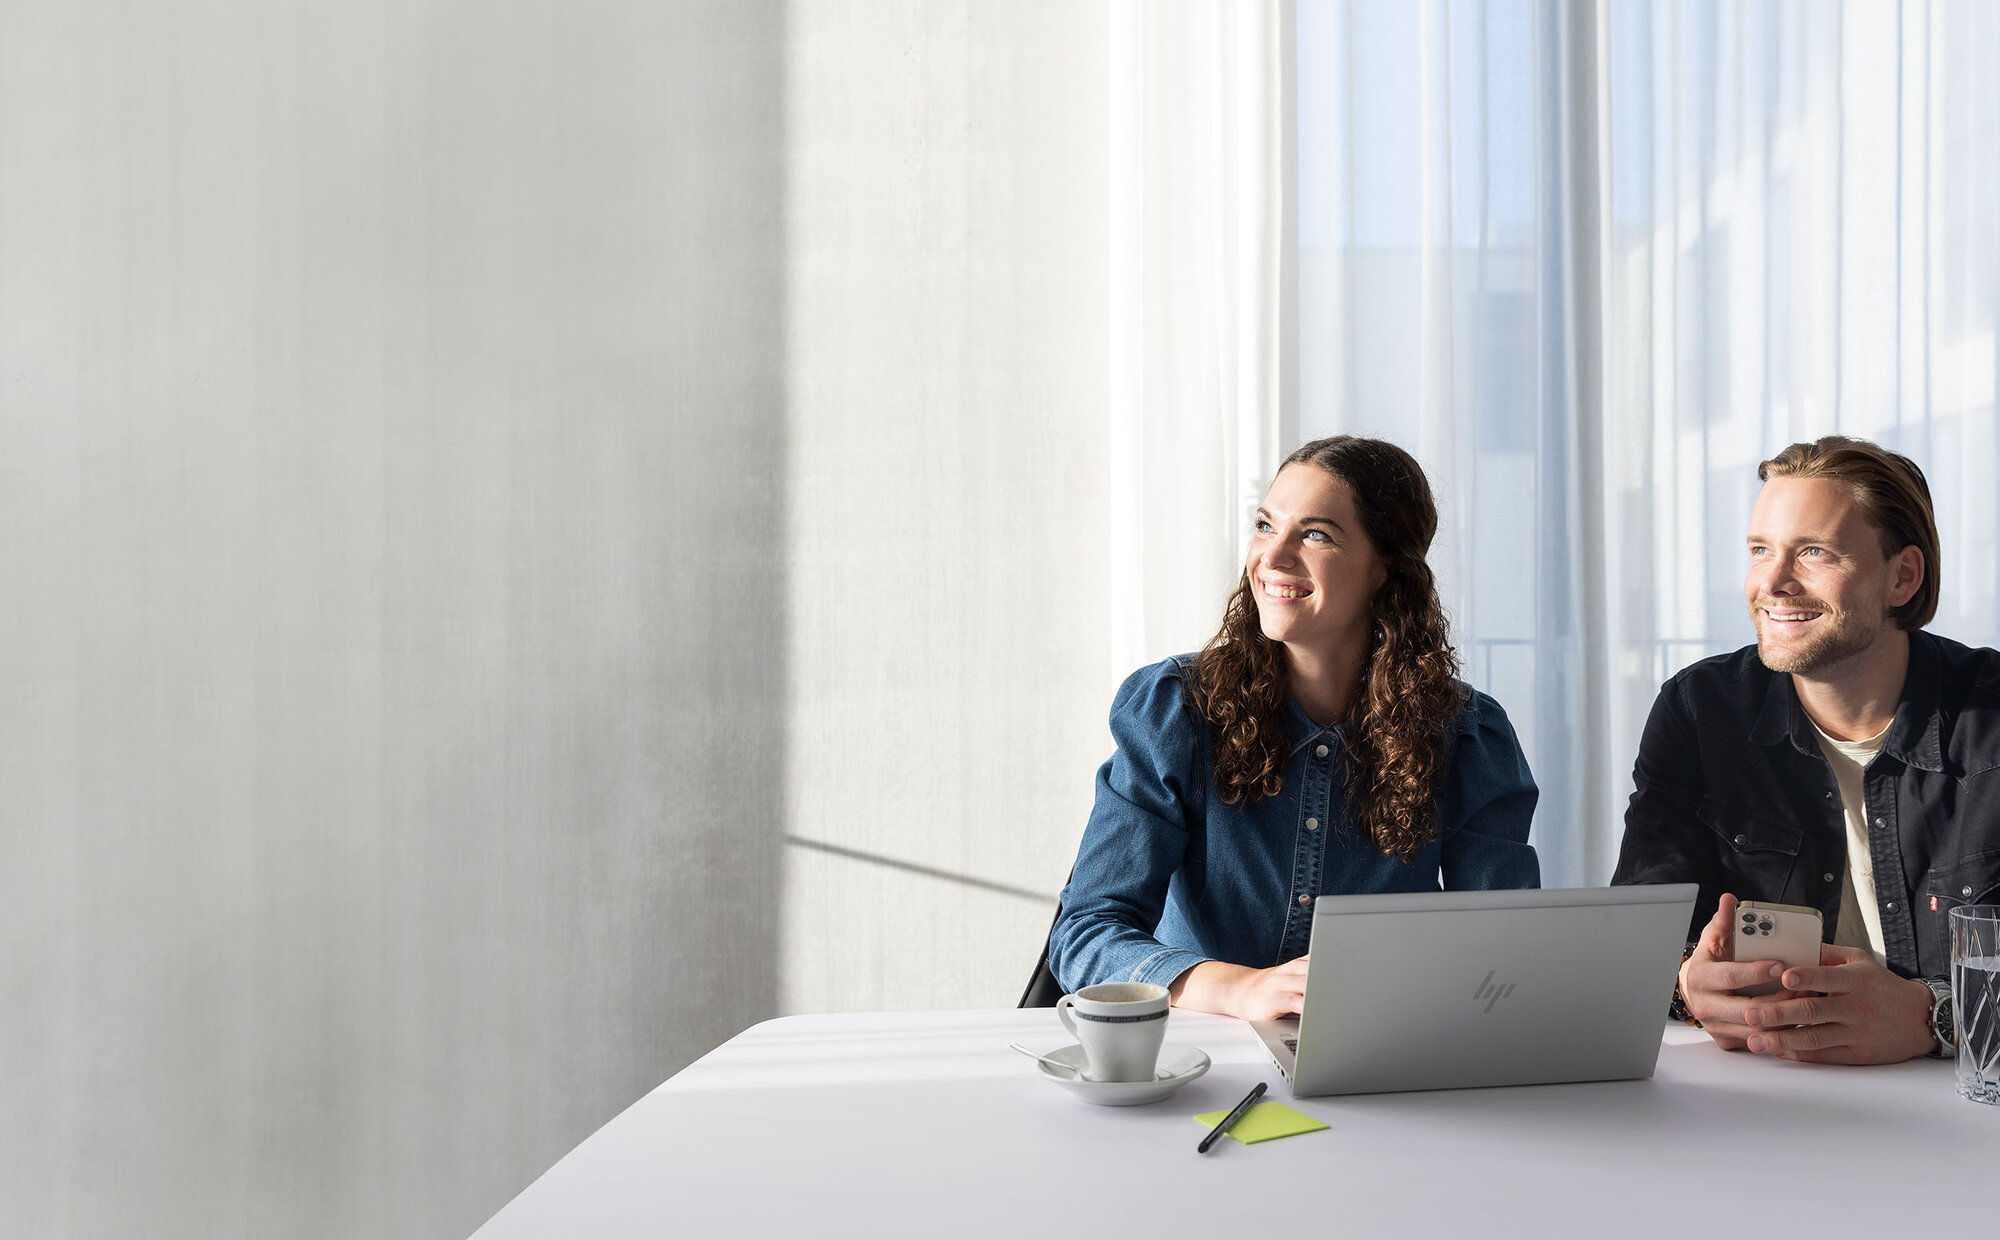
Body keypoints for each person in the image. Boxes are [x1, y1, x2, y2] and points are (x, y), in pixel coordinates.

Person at [1047, 436, 1540, 1021]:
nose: (1272, 557)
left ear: (1386, 568)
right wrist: (1241, 990)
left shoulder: (1469, 736)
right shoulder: (1176, 710)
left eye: (1315, 535)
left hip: (1383, 1051)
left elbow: (1501, 953)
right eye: (1265, 525)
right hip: (1201, 1055)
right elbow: (1086, 932)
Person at [1613, 435, 1994, 1065]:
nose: (1772, 582)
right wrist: (1686, 985)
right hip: (1763, 1091)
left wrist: (1934, 1018)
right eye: (1760, 550)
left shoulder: (1990, 721)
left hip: (1964, 1101)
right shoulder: (1700, 709)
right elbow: (1636, 935)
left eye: (1814, 552)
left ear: (1902, 576)